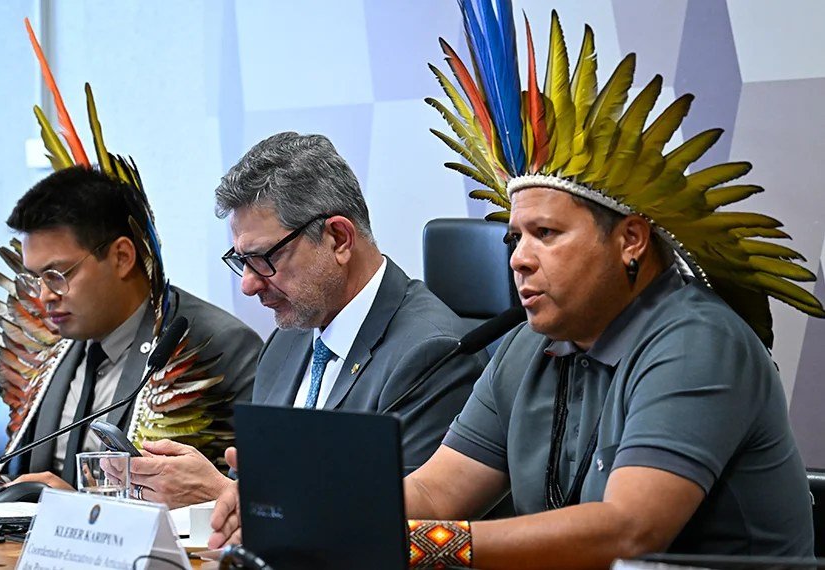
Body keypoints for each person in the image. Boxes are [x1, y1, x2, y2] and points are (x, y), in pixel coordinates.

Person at [211, 4, 823, 566]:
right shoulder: (529, 346)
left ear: (631, 239)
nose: (520, 260)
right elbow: (435, 492)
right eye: (514, 238)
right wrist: (296, 503)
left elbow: (629, 531)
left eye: (546, 234)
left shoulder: (697, 341)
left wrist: (422, 548)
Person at [201, 131, 488, 547]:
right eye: (241, 260)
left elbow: (399, 533)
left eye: (264, 258)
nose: (248, 284)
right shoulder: (284, 343)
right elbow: (247, 492)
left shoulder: (432, 353)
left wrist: (220, 492)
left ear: (338, 239)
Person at [0, 166, 262, 508]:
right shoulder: (60, 343)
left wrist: (78, 507)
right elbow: (37, 476)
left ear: (122, 257)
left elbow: (249, 497)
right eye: (36, 278)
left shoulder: (218, 346)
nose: (45, 295)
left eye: (57, 275)